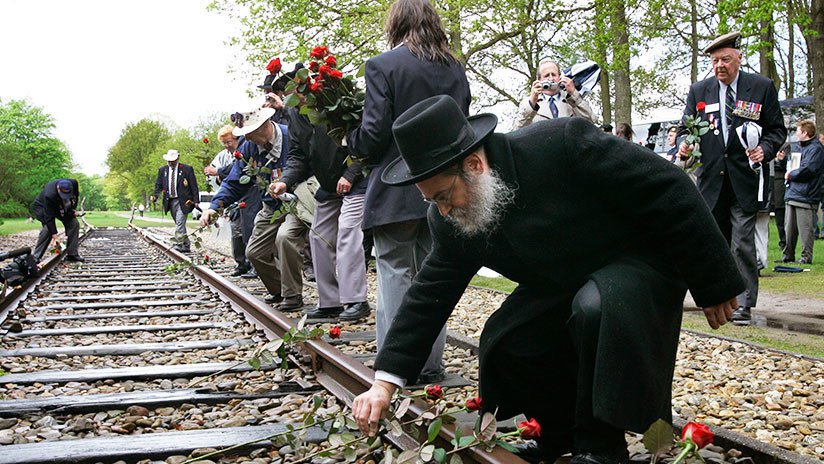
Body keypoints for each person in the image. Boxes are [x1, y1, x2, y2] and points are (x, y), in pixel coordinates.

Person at [352, 95, 744, 464]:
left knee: (596, 306)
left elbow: (668, 186)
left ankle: (602, 448)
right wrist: (384, 383)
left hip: (638, 264)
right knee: (508, 339)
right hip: (566, 281)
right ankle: (557, 435)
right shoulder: (452, 218)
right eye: (431, 201)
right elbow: (429, 295)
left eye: (443, 196)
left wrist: (714, 280)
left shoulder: (562, 143)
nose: (442, 210)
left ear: (473, 165)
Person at [346, 0, 471, 384]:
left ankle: (397, 366)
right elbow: (461, 123)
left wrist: (349, 139)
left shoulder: (383, 66)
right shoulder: (455, 69)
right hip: (445, 187)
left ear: (396, 24)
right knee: (432, 277)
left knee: (395, 273)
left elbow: (374, 133)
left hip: (396, 187)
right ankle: (430, 365)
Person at [678, 31, 786, 324]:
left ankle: (743, 304)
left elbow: (777, 130)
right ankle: (718, 298)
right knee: (716, 243)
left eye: (725, 59)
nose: (719, 66)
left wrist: (765, 149)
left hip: (745, 180)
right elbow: (685, 129)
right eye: (715, 61)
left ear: (739, 58)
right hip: (712, 181)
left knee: (741, 243)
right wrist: (685, 144)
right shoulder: (699, 91)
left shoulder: (761, 87)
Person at [201, 105, 307, 311]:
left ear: (264, 126)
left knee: (285, 238)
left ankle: (293, 295)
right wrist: (215, 207)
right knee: (254, 252)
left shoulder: (291, 136)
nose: (246, 138)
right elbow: (234, 182)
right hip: (271, 204)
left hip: (297, 201)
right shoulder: (249, 148)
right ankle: (279, 289)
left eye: (249, 133)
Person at [271, 111, 371, 321]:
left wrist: (351, 174)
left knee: (347, 232)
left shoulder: (330, 100)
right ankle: (330, 302)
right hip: (328, 184)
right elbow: (298, 155)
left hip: (356, 181)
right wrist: (285, 181)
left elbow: (367, 139)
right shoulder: (294, 114)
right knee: (318, 237)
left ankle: (356, 300)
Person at [205, 125, 250, 276]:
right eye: (224, 143)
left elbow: (234, 169)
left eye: (229, 142)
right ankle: (241, 263)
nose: (227, 145)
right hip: (233, 199)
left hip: (248, 195)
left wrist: (219, 172)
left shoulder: (246, 150)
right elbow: (216, 178)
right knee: (236, 231)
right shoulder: (222, 156)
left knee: (250, 229)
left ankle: (252, 265)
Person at [779, 120, 824, 264]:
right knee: (789, 229)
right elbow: (793, 165)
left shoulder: (816, 149)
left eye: (798, 131)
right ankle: (788, 255)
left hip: (806, 196)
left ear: (805, 133)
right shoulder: (797, 147)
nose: (796, 134)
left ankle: (806, 257)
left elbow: (809, 169)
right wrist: (783, 161)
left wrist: (791, 175)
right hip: (792, 192)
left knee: (805, 229)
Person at [514, 59, 596, 128]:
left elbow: (591, 123)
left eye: (553, 75)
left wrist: (574, 93)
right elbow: (517, 130)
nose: (551, 79)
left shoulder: (572, 99)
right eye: (546, 75)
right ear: (539, 79)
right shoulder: (528, 103)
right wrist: (532, 102)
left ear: (560, 77)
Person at [151, 150, 199, 252]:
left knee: (180, 222)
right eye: (169, 161)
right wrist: (155, 196)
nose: (171, 163)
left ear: (177, 159)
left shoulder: (187, 169)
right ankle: (186, 244)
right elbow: (158, 185)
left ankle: (178, 244)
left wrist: (196, 200)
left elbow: (193, 185)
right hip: (170, 201)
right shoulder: (163, 170)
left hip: (184, 201)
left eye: (172, 161)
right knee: (178, 223)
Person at [32, 179, 84, 262]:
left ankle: (72, 255)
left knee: (74, 224)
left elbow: (75, 198)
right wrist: (55, 237)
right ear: (58, 188)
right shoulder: (49, 195)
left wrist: (72, 210)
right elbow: (49, 218)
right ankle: (36, 257)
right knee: (48, 229)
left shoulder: (74, 183)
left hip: (62, 205)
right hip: (42, 207)